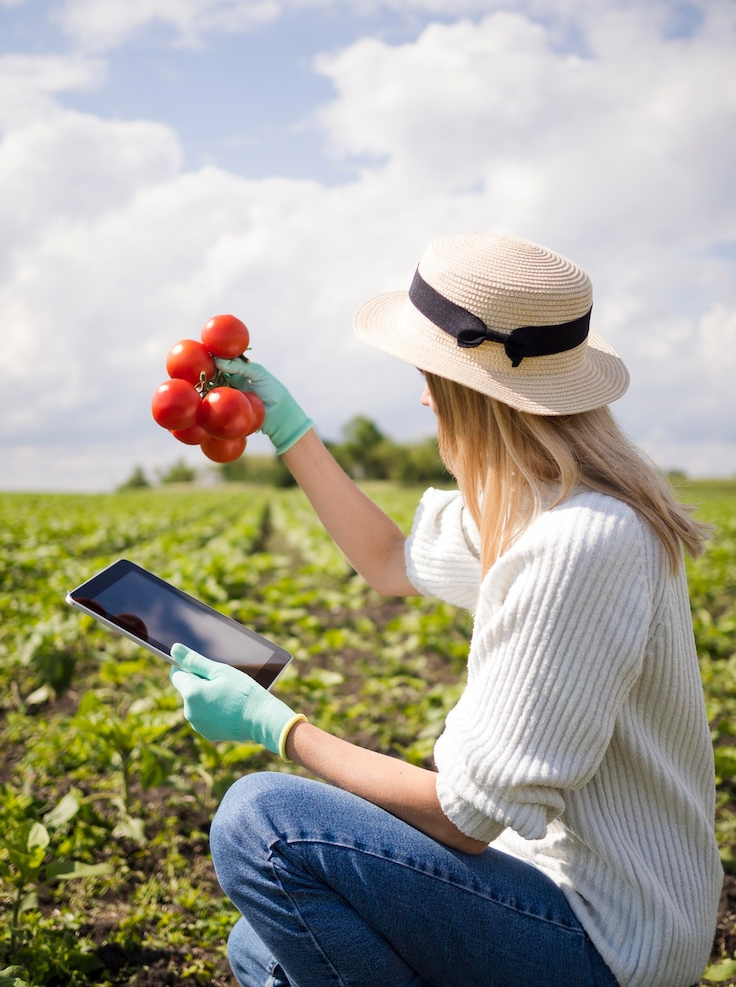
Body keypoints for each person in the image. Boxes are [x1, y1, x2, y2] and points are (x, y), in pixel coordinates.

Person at [169, 233, 723, 987]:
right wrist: (287, 426)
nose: (424, 393)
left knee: (260, 825)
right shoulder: (536, 504)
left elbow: (460, 819)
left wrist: (279, 728)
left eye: (432, 373)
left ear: (471, 389)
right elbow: (390, 560)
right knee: (258, 947)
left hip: (613, 943)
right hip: (558, 888)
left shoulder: (580, 543)